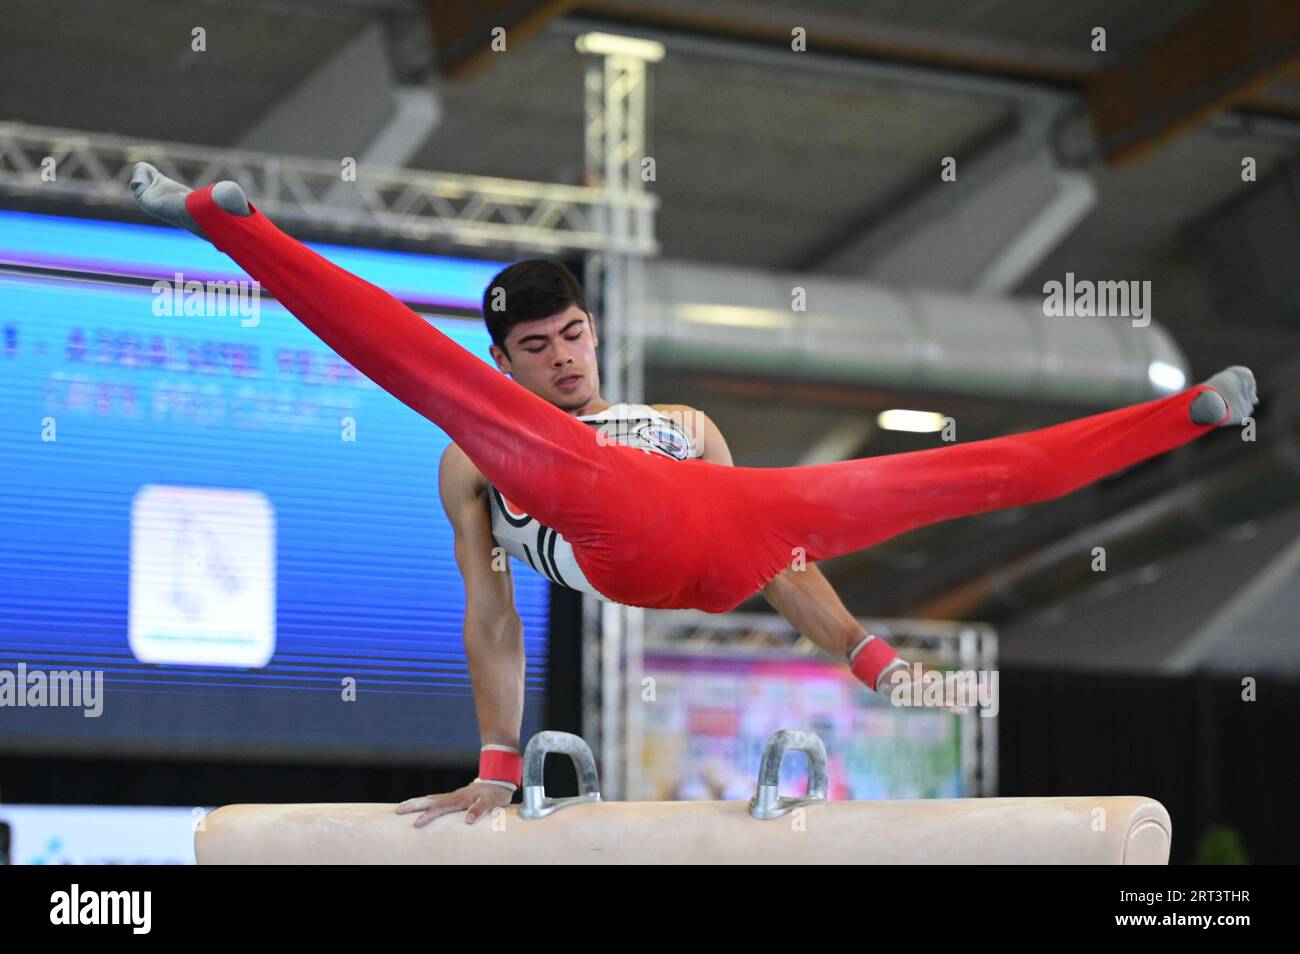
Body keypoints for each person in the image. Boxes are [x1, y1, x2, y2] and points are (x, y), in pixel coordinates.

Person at [129, 163, 1259, 825]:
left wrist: (875, 664)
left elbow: (779, 560)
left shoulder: (685, 426)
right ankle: (236, 229)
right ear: (514, 358)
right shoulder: (478, 454)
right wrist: (498, 763)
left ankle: (1182, 415)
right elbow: (491, 615)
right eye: (540, 345)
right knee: (440, 390)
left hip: (717, 536)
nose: (568, 356)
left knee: (953, 478)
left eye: (575, 332)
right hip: (608, 534)